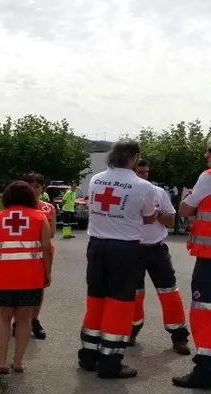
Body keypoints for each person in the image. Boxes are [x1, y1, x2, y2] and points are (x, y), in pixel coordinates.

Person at [78, 139, 158, 379]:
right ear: (134, 158)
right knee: (120, 304)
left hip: (97, 246)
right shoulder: (143, 186)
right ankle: (110, 362)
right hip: (125, 249)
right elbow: (148, 216)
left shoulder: (96, 179)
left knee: (96, 300)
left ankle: (89, 355)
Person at [0, 180, 52, 374]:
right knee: (25, 319)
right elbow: (47, 248)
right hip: (31, 277)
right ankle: (18, 362)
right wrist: (47, 272)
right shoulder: (40, 218)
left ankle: (0, 363)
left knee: (3, 317)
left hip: (4, 277)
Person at [131, 159, 190, 354]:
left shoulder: (158, 192)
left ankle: (179, 336)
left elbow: (170, 219)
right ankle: (131, 330)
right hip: (133, 250)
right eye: (140, 172)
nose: (144, 175)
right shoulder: (128, 192)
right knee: (134, 294)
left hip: (157, 249)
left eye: (146, 172)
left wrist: (155, 215)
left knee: (170, 292)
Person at [173, 139, 211, 389]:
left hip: (209, 260)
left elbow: (185, 210)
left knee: (204, 309)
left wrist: (188, 199)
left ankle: (206, 370)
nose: (206, 154)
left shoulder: (208, 177)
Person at [10, 173, 55, 340]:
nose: (34, 190)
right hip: (21, 253)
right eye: (30, 186)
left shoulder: (48, 208)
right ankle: (19, 321)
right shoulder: (15, 208)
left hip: (42, 253)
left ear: (42, 189)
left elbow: (51, 234)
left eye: (37, 187)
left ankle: (34, 319)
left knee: (39, 288)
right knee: (19, 287)